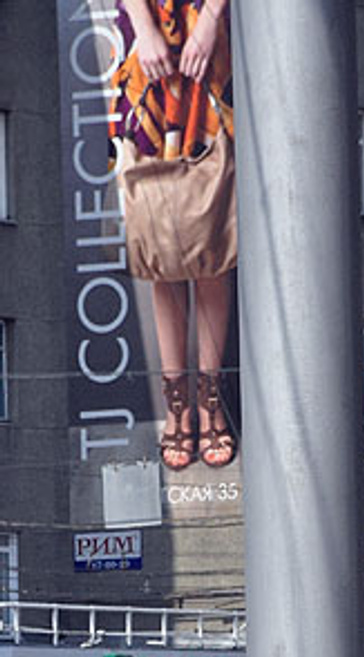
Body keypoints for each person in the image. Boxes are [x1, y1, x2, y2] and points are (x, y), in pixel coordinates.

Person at [110, 0, 236, 472]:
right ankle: (176, 403)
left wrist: (211, 20)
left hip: (209, 28)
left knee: (209, 229)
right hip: (147, 34)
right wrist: (143, 27)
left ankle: (209, 398)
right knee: (162, 234)